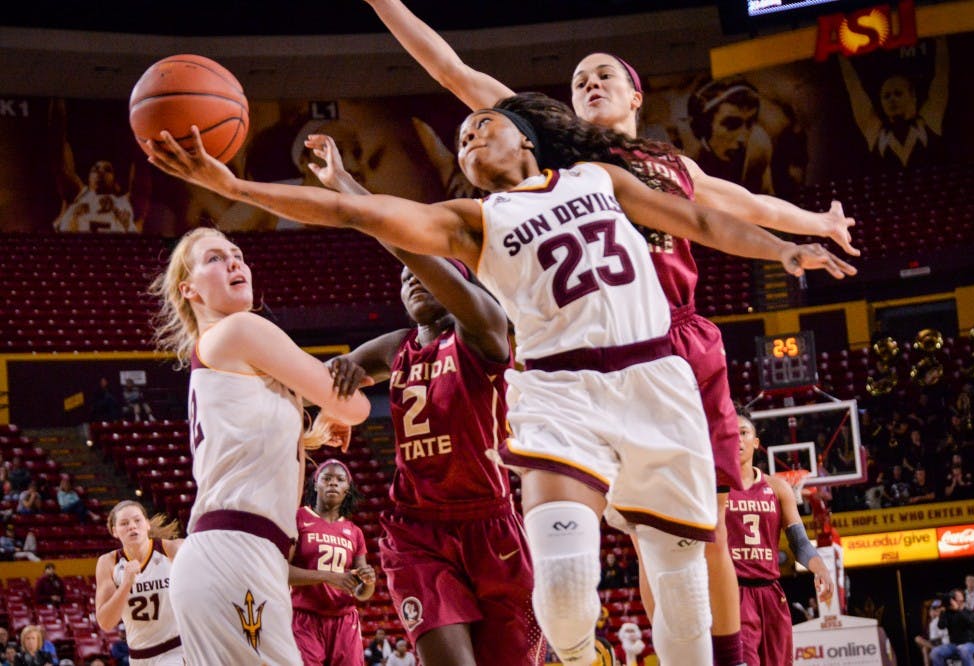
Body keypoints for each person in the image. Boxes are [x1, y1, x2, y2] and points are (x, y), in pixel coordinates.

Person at [147, 90, 854, 666]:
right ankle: (580, 656)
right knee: (573, 588)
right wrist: (236, 186)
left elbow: (698, 218)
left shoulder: (596, 179)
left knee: (683, 593)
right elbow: (359, 216)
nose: (470, 138)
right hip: (555, 395)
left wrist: (784, 251)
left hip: (652, 380)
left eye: (484, 125)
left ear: (527, 140)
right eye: (461, 142)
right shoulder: (474, 222)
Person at [353, 6, 861, 663]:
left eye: (601, 75)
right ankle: (577, 642)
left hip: (674, 342)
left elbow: (749, 205)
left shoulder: (672, 165)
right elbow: (453, 71)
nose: (587, 85)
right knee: (622, 545)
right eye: (576, 82)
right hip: (581, 352)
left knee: (697, 530)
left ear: (635, 93)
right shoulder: (557, 150)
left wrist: (816, 225)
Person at [314, 143, 541, 665]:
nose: (412, 275)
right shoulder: (397, 347)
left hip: (493, 524)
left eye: (428, 268)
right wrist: (336, 387)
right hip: (416, 530)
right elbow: (335, 374)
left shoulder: (485, 332)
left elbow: (416, 253)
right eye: (404, 276)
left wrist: (352, 193)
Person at [147, 226, 371, 665]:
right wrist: (345, 397)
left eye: (237, 253)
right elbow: (358, 406)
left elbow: (251, 442)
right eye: (214, 258)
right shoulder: (240, 330)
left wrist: (313, 433)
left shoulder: (225, 354)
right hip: (236, 552)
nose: (234, 262)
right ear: (188, 289)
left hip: (236, 555)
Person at [727, 410, 834, 666]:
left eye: (744, 433)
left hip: (772, 593)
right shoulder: (714, 488)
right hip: (733, 592)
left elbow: (799, 543)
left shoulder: (777, 488)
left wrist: (821, 569)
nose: (738, 439)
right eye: (731, 434)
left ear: (756, 442)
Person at [289, 458, 376, 666]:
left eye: (340, 480)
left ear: (347, 488)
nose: (333, 483)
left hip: (345, 621)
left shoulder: (354, 532)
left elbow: (361, 593)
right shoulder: (298, 518)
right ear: (315, 484)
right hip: (305, 619)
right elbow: (280, 571)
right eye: (327, 478)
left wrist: (369, 582)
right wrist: (328, 577)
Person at [94, 500, 185, 665]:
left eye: (137, 520)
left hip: (177, 648)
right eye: (124, 523)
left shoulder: (170, 550)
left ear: (147, 524)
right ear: (115, 531)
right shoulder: (108, 562)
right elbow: (105, 622)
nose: (132, 526)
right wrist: (126, 584)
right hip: (139, 656)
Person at [838, 41, 949, 172]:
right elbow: (853, 88)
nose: (892, 99)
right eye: (886, 96)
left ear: (912, 96)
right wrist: (840, 51)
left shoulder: (930, 122)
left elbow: (942, 75)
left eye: (898, 93)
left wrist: (941, 37)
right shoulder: (874, 131)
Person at [49, 98, 148, 233]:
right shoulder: (77, 195)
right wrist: (57, 100)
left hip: (116, 253)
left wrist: (144, 114)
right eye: (95, 169)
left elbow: (141, 165)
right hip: (75, 252)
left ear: (116, 182)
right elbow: (58, 152)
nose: (100, 172)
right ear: (88, 178)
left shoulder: (129, 202)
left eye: (107, 170)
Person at [931, 589, 974, 666]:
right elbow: (941, 626)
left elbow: (973, 625)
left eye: (959, 597)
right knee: (935, 652)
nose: (956, 600)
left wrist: (958, 610)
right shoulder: (948, 613)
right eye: (955, 598)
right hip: (954, 644)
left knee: (963, 649)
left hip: (971, 644)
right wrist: (943, 612)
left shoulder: (970, 612)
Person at [915, 600, 950, 666]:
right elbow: (928, 636)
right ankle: (934, 648)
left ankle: (935, 648)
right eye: (932, 610)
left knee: (925, 648)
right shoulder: (930, 622)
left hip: (943, 642)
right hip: (933, 642)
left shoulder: (944, 618)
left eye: (936, 610)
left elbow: (944, 635)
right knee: (923, 646)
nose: (933, 612)